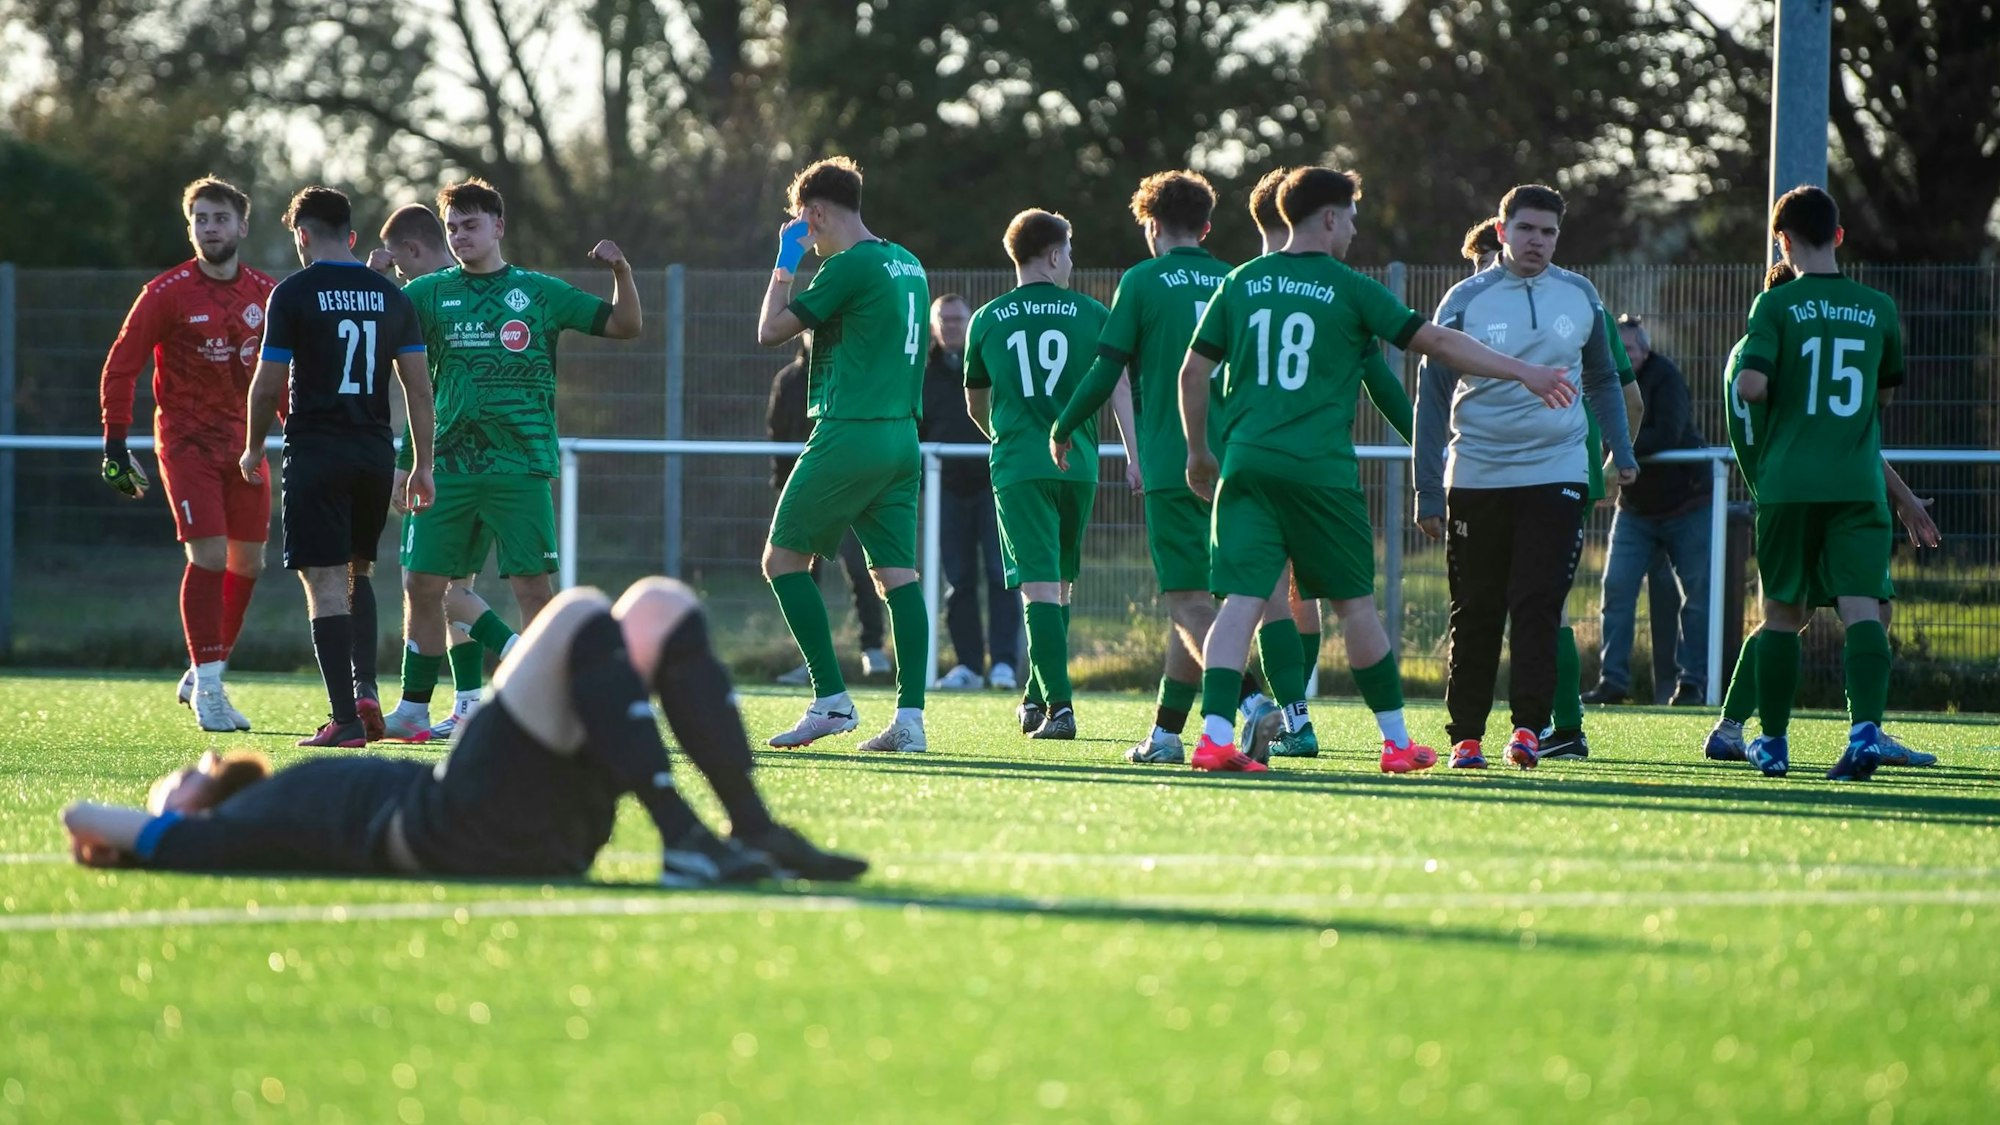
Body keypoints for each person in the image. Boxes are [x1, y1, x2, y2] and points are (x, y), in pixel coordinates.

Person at [60, 577, 869, 886]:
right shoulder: (224, 832)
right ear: (180, 815)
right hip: (459, 822)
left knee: (660, 606)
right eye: (179, 780)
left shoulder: (250, 810)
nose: (199, 761)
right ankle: (685, 835)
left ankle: (753, 830)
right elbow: (81, 818)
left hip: (528, 819)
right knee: (583, 609)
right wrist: (148, 829)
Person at [1180, 166, 1575, 774]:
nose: (1356, 230)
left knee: (1239, 605)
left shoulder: (1242, 280)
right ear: (1330, 218)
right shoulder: (1349, 288)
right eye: (1353, 217)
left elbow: (1192, 373)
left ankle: (1212, 738)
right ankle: (1395, 744)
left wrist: (1199, 454)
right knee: (1356, 608)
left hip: (1246, 463)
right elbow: (1439, 345)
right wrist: (1524, 371)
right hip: (1319, 472)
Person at [382, 178, 644, 742]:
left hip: (520, 466)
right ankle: (412, 708)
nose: (459, 237)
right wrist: (407, 461)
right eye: (451, 228)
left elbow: (626, 326)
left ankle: (542, 704)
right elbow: (403, 373)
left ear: (498, 226)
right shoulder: (426, 294)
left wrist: (622, 272)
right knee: (422, 586)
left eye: (470, 226)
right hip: (447, 466)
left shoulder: (539, 291)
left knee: (533, 588)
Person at [1050, 169, 1281, 764]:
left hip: (1175, 461)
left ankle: (1252, 702)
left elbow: (1106, 369)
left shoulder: (1143, 280)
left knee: (1186, 603)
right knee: (1202, 604)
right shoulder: (1236, 277)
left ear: (1150, 225)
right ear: (1206, 226)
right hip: (1238, 459)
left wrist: (1064, 423)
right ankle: (1166, 734)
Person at [1413, 183, 1637, 771]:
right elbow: (1431, 397)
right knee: (1477, 607)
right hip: (1478, 474)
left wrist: (1622, 450)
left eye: (1548, 231)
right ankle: (1465, 736)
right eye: (1527, 229)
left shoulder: (1580, 294)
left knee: (1539, 603)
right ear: (1502, 229)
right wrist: (1427, 487)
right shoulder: (1466, 299)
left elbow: (1605, 379)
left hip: (1556, 471)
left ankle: (1530, 730)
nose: (1537, 241)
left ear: (1559, 237)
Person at [1713, 200, 1921, 781]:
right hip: (1857, 484)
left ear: (1782, 240)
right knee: (1863, 609)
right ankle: (1864, 736)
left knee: (1782, 613)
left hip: (1789, 483)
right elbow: (1881, 397)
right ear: (1838, 233)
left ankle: (1773, 745)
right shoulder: (1878, 307)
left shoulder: (1777, 302)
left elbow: (1751, 385)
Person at [239, 186, 437, 747]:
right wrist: (422, 464)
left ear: (302, 234)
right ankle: (366, 687)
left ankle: (345, 720)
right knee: (360, 570)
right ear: (351, 236)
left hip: (317, 450)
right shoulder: (391, 296)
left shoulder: (293, 292)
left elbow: (267, 385)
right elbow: (419, 392)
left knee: (324, 584)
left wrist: (253, 447)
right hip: (374, 452)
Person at [754, 156, 933, 753]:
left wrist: (785, 260)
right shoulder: (906, 262)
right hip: (902, 437)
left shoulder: (845, 264)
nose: (804, 232)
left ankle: (831, 700)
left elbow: (770, 330)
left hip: (849, 431)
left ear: (815, 213)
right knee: (897, 576)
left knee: (782, 560)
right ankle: (910, 721)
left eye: (802, 222)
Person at [98, 177, 277, 733]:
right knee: (208, 556)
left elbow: (281, 376)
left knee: (249, 563)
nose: (210, 227)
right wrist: (115, 444)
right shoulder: (165, 293)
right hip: (187, 444)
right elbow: (121, 365)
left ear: (242, 226)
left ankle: (202, 670)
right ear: (189, 226)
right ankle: (213, 689)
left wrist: (296, 434)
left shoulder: (268, 294)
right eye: (200, 218)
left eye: (220, 217)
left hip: (246, 449)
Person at [365, 203, 521, 740]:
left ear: (409, 252)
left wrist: (408, 464)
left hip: (450, 464)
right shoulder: (472, 292)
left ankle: (522, 659)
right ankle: (471, 700)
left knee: (429, 588)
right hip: (489, 459)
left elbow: (423, 396)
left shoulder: (426, 298)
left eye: (404, 268)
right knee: (454, 587)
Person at [964, 210, 1112, 739]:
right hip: (1081, 467)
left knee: (1039, 590)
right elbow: (1113, 385)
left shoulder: (986, 319)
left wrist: (1006, 439)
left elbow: (975, 405)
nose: (1071, 260)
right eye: (1068, 251)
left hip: (1021, 465)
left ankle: (1061, 708)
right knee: (1059, 588)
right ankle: (1035, 696)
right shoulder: (1093, 313)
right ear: (1052, 255)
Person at [1583, 314, 1712, 707]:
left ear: (1645, 349)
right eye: (1619, 349)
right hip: (1635, 509)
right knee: (1617, 587)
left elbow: (1667, 433)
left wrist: (1615, 452)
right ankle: (1613, 682)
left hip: (1686, 503)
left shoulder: (1665, 377)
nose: (1627, 356)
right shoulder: (1602, 378)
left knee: (1697, 595)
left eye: (1632, 349)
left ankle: (1691, 683)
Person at [768, 336, 890, 685]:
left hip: (848, 489)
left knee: (863, 567)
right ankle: (813, 660)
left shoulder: (849, 373)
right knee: (798, 572)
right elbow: (777, 433)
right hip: (806, 494)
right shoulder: (788, 380)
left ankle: (873, 649)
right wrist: (784, 485)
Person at [923, 294, 1023, 692]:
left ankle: (1003, 663)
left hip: (992, 483)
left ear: (969, 321)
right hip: (945, 485)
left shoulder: (988, 361)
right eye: (943, 320)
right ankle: (967, 664)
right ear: (933, 326)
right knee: (957, 579)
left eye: (957, 319)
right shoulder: (922, 371)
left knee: (1002, 575)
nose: (950, 326)